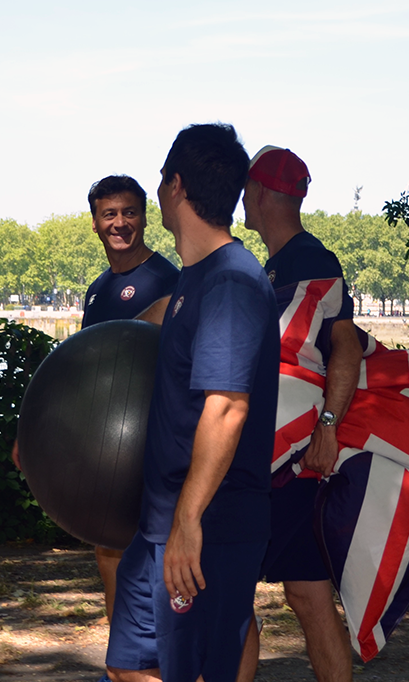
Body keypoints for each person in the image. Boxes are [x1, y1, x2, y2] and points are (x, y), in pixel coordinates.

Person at [103, 124, 279, 682]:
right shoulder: (196, 278)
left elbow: (227, 407)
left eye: (159, 178)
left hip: (206, 524)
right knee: (129, 666)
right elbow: (156, 325)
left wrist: (187, 522)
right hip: (159, 524)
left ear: (175, 187)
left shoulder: (231, 283)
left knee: (197, 672)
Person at [12, 174, 179, 622]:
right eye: (110, 214)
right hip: (105, 455)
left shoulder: (167, 278)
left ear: (144, 218)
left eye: (129, 212)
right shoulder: (98, 289)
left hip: (153, 444)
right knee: (109, 553)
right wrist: (32, 436)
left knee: (159, 561)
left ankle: (165, 659)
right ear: (94, 223)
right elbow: (80, 377)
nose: (120, 223)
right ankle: (123, 661)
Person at [237, 146, 361, 682]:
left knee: (232, 588)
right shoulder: (280, 263)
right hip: (287, 459)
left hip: (285, 462)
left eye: (246, 190)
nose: (243, 199)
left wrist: (327, 428)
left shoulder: (308, 261)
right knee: (309, 596)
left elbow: (346, 348)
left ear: (261, 195)